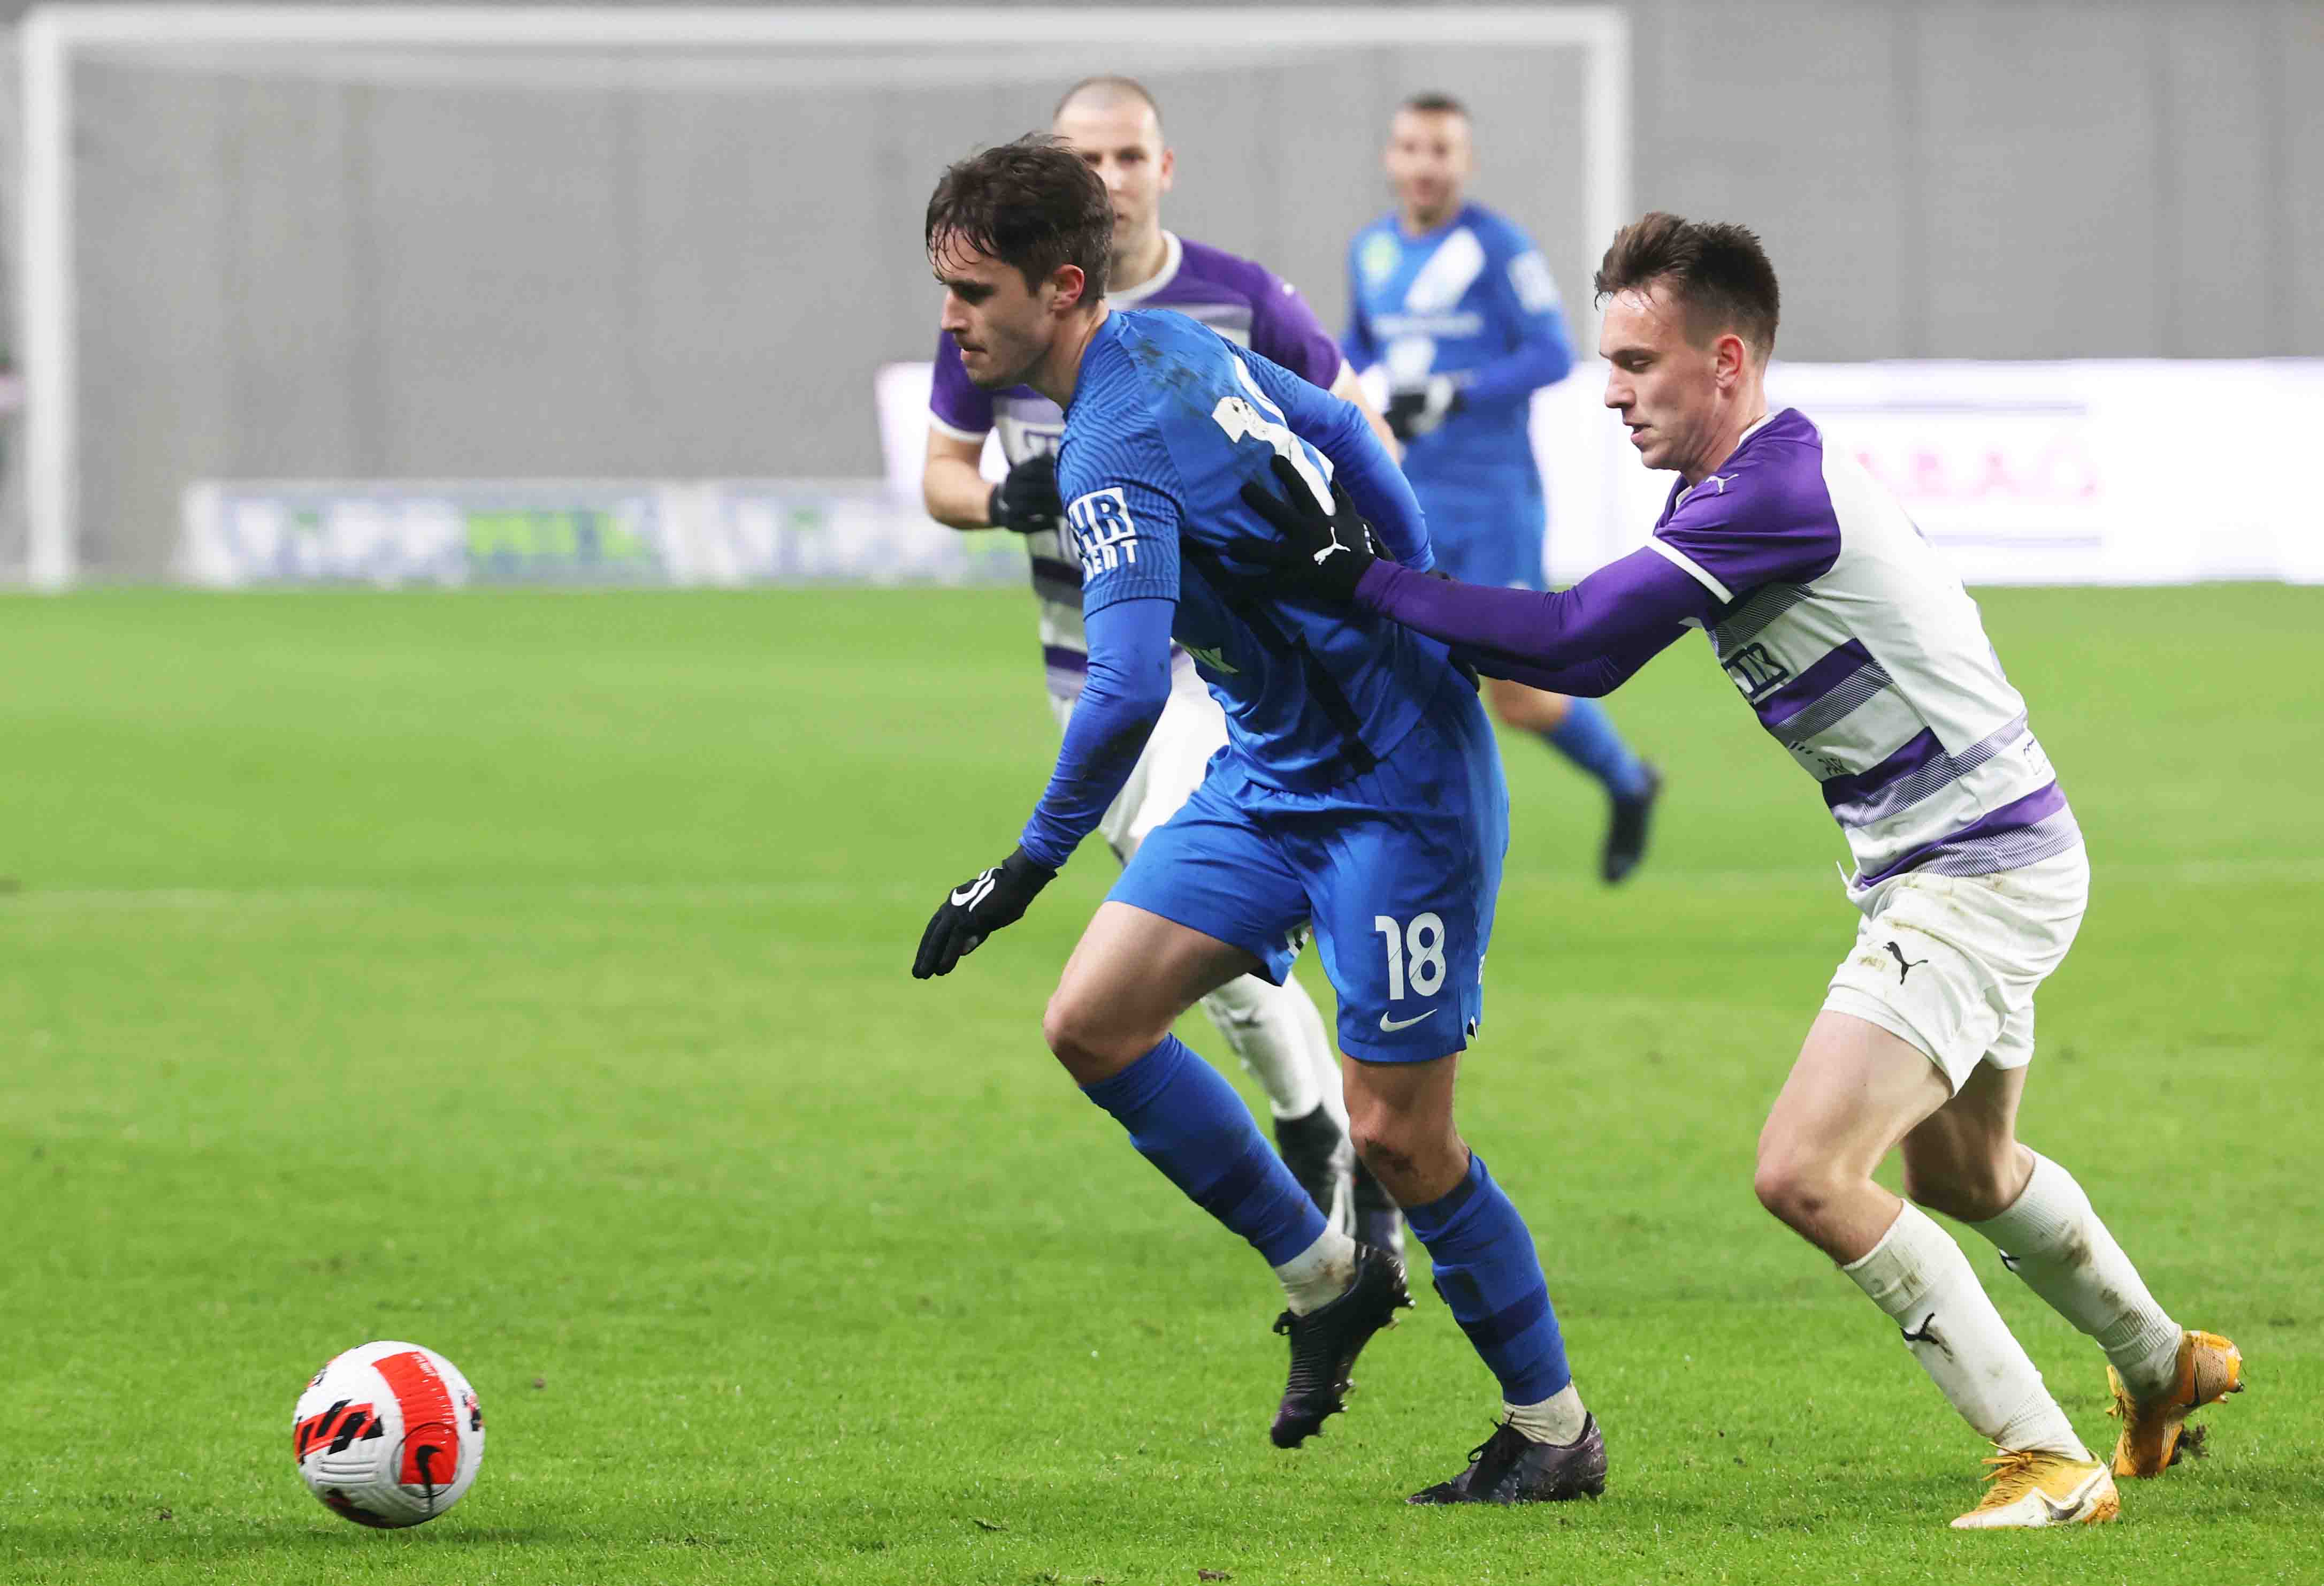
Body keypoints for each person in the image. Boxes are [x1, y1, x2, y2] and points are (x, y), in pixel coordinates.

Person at [1235, 211, 2239, 1530]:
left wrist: (1362, 584)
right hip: (1978, 850)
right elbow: (1575, 629)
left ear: (1725, 360)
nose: (1610, 389)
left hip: (1972, 871)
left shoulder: (1767, 493)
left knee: (1806, 1173)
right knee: (1966, 1176)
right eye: (1606, 360)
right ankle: (2168, 1368)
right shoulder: (1741, 483)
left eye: (1637, 362)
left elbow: (1579, 646)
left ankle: (2046, 1461)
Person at [912, 135, 1607, 1505]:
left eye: (974, 293)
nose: (951, 320)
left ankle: (1552, 1430)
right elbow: (1348, 429)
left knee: (1404, 1139)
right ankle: (1327, 1276)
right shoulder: (1166, 343)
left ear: (1060, 288)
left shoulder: (1111, 442)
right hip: (1271, 772)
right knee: (1092, 1026)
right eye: (942, 288)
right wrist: (1405, 571)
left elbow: (1118, 696)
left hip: (1399, 793)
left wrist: (1023, 869)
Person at [922, 77, 1404, 1251]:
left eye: (1128, 156)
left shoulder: (1234, 304)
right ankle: (1325, 1125)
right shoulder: (991, 303)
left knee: (1185, 907)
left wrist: (1378, 564)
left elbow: (1356, 427)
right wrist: (999, 500)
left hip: (1204, 674)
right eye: (1085, 157)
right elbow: (939, 478)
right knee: (1212, 955)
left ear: (1164, 167)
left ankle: (1339, 1149)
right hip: (1077, 665)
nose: (1108, 179)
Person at [1344, 93, 1660, 883]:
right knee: (1377, 673)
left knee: (1515, 695)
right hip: (1404, 498)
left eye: (1441, 150)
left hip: (1493, 502)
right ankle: (1389, 856)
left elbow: (1553, 352)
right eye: (1411, 147)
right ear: (1391, 157)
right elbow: (1355, 348)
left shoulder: (1497, 248)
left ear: (1466, 163)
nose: (1425, 164)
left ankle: (1628, 781)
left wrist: (1456, 391)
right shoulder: (1371, 252)